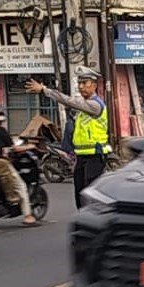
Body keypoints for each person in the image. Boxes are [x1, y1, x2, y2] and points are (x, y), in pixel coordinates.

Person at [27, 66, 110, 208]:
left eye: (85, 83)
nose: (81, 87)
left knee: (90, 198)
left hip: (95, 156)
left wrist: (44, 90)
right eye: (80, 83)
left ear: (94, 85)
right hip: (81, 157)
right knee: (80, 196)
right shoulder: (82, 109)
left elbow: (70, 101)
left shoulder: (95, 105)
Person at [0, 103, 38, 226]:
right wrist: (30, 146)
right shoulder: (1, 131)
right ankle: (28, 216)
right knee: (21, 186)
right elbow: (12, 149)